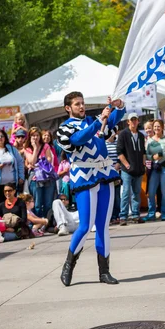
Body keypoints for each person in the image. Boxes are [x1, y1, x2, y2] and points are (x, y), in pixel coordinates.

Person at [56, 92, 125, 287]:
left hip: (104, 173)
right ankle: (68, 265)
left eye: (83, 103)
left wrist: (118, 107)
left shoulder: (93, 120)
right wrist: (98, 121)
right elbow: (78, 139)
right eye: (77, 104)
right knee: (85, 226)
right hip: (84, 176)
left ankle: (104, 272)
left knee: (103, 225)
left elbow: (113, 119)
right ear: (68, 108)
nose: (81, 106)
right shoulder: (64, 128)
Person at [117, 113, 146, 225]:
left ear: (138, 121)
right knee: (126, 193)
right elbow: (119, 151)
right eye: (132, 120)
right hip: (127, 169)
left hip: (138, 169)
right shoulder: (123, 134)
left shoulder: (141, 136)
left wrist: (143, 164)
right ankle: (123, 216)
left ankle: (135, 215)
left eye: (136, 120)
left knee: (136, 193)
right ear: (128, 122)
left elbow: (143, 151)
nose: (134, 122)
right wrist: (126, 164)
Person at [145, 119, 165, 222]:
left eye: (158, 126)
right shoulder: (150, 140)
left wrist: (162, 155)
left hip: (164, 167)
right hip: (154, 168)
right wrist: (153, 157)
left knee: (164, 191)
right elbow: (147, 155)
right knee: (151, 191)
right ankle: (151, 213)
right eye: (155, 126)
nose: (156, 128)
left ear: (162, 127)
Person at [24, 127, 56, 218]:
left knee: (48, 202)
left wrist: (38, 164)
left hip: (47, 175)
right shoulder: (27, 148)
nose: (35, 137)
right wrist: (35, 148)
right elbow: (32, 161)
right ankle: (38, 223)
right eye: (33, 135)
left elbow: (49, 159)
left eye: (37, 135)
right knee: (37, 203)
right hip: (35, 177)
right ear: (29, 137)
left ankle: (47, 222)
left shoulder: (45, 146)